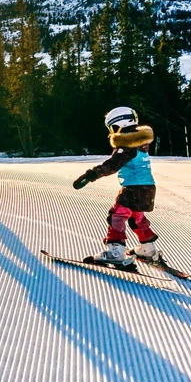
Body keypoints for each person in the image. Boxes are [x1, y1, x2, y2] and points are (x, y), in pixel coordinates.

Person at [73, 106, 163, 269]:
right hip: (148, 188)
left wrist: (90, 175)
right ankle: (148, 249)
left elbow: (112, 165)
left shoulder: (127, 144)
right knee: (137, 218)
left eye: (112, 128)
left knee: (117, 216)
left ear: (119, 124)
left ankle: (116, 252)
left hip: (132, 190)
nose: (112, 132)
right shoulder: (141, 143)